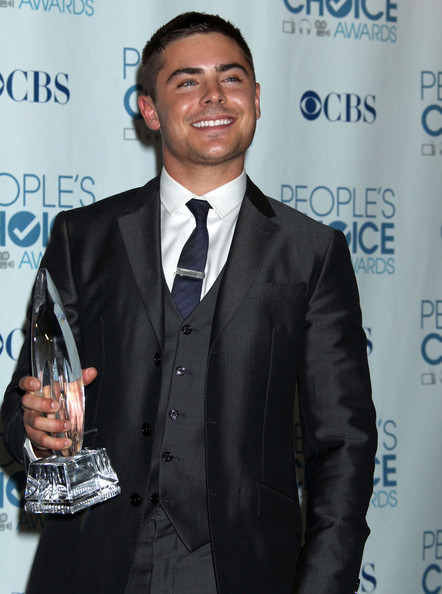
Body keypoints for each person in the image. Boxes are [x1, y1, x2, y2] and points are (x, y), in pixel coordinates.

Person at [1, 11, 376, 594]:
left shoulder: (313, 252)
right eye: (186, 81)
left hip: (243, 570)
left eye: (231, 78)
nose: (213, 96)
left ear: (255, 97)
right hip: (91, 564)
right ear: (150, 109)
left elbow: (344, 444)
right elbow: (19, 409)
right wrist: (33, 426)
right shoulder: (84, 237)